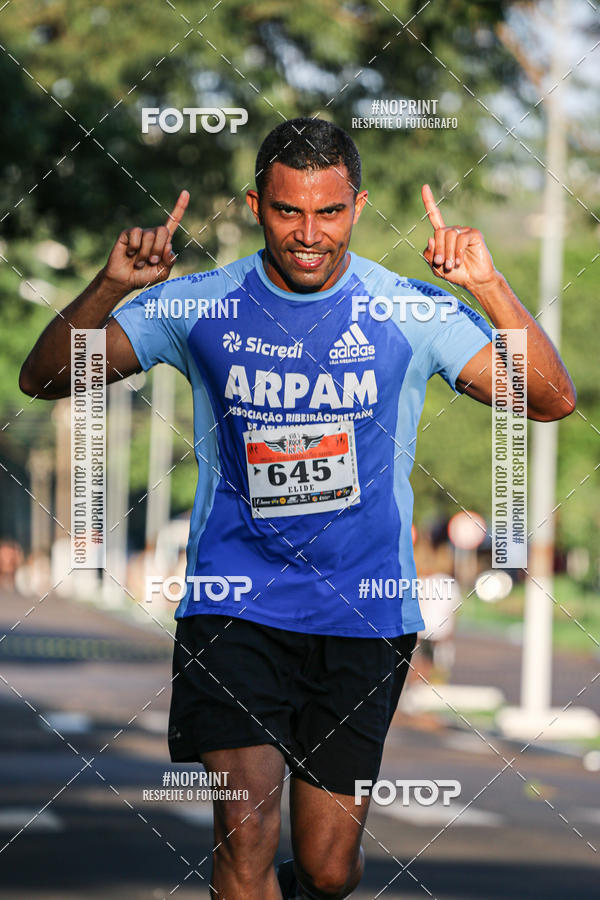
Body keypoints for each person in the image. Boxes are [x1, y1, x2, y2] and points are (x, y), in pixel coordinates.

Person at [20, 117, 576, 899]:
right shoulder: (201, 304)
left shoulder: (408, 311)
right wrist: (112, 287)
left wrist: (486, 286)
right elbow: (46, 380)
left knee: (327, 870)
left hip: (364, 618)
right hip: (234, 606)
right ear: (256, 205)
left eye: (329, 212)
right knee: (242, 848)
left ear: (358, 206)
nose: (309, 235)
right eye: (288, 212)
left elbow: (549, 399)